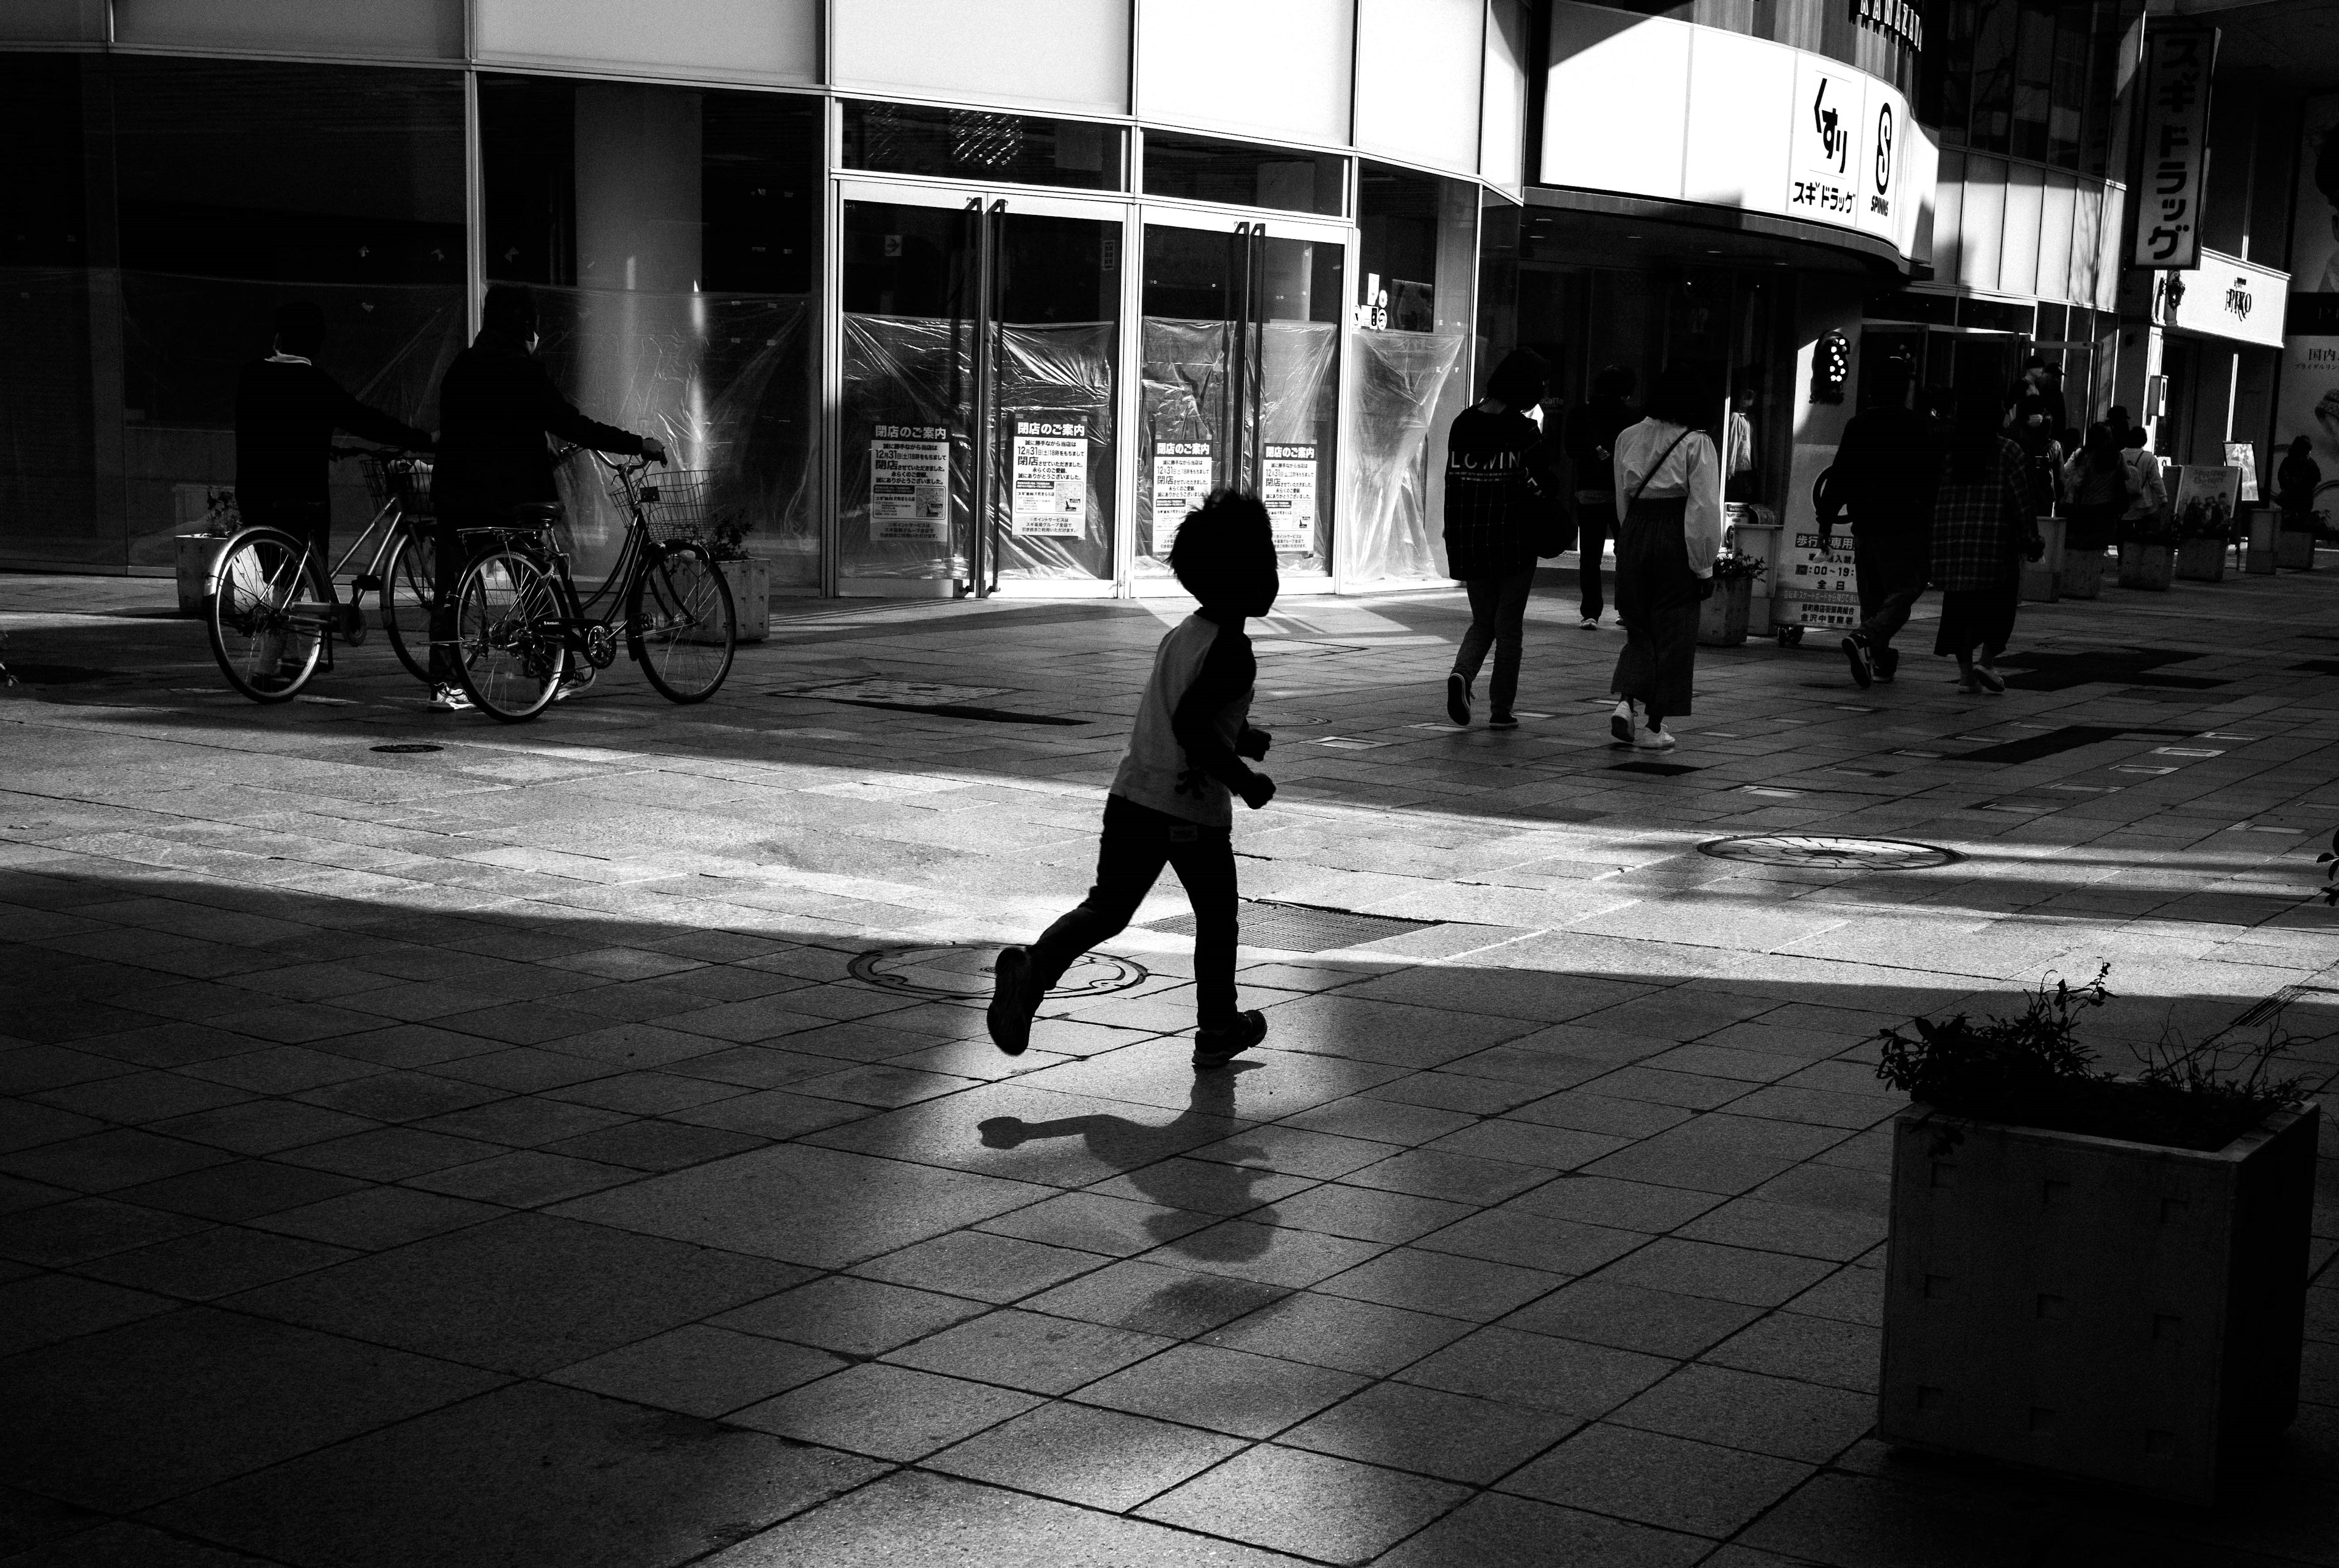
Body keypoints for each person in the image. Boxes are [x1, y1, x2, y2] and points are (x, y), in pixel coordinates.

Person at [987, 491, 1277, 1069]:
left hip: (1132, 798)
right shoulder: (1234, 651)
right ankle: (1218, 1025)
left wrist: (1241, 735)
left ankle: (1036, 971)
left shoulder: (1186, 633)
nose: (1275, 576)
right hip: (1188, 812)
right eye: (1267, 561)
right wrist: (1243, 778)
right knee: (1218, 919)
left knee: (1108, 907)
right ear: (1243, 576)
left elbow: (1187, 709)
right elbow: (1193, 726)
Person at [428, 284, 666, 712]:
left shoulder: (461, 366)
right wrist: (636, 443)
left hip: (454, 496)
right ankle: (557, 668)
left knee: (451, 590)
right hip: (510, 497)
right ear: (527, 325)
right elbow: (573, 425)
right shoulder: (523, 369)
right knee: (539, 581)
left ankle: (444, 683)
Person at [233, 300, 434, 632]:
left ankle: (283, 654)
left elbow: (271, 426)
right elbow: (366, 421)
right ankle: (289, 653)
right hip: (301, 496)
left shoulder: (251, 375)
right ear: (316, 343)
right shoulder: (316, 383)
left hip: (254, 493)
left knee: (278, 574)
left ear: (279, 338)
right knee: (305, 574)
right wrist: (423, 439)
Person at [1442, 348, 1568, 730]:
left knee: (1483, 620)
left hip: (1471, 538)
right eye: (1541, 385)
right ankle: (1501, 710)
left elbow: (1454, 484)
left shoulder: (1462, 423)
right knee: (1508, 626)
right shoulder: (1523, 430)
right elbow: (1545, 484)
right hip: (1514, 540)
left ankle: (1462, 675)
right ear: (1526, 386)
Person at [1607, 362, 1724, 752]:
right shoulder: (1696, 442)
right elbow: (1703, 510)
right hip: (1675, 535)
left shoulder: (1627, 436)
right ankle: (1655, 726)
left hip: (1636, 533)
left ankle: (1625, 702)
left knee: (1638, 625)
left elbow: (1623, 501)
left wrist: (1630, 541)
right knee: (1674, 630)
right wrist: (1704, 565)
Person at [1819, 357, 1939, 689]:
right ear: (1905, 388)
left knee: (1873, 601)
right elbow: (1931, 482)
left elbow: (1840, 476)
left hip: (1866, 526)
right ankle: (1865, 639)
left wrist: (1826, 523)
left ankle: (1881, 661)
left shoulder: (1858, 425)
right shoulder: (1918, 426)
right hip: (1904, 525)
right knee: (1904, 591)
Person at [1931, 388, 2038, 695]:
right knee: (2000, 606)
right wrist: (2031, 539)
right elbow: (2021, 500)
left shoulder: (1949, 450)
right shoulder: (2008, 451)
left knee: (1959, 610)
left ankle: (1966, 676)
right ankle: (1987, 662)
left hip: (1951, 545)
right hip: (1995, 545)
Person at [1564, 365, 1637, 628]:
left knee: (1591, 554)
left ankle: (1591, 612)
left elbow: (1570, 449)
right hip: (1623, 493)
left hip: (1590, 490)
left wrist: (1592, 451)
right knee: (1626, 552)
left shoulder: (1580, 414)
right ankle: (1626, 610)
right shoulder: (1632, 418)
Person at [2061, 423, 2136, 557]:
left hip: (2086, 505)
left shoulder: (2084, 455)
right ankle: (2097, 568)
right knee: (2102, 542)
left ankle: (2086, 568)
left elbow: (2069, 474)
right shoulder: (2117, 456)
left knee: (2085, 540)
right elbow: (2127, 475)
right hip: (2108, 507)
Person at [2119, 426, 2167, 540]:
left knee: (2124, 535)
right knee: (2142, 536)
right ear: (2144, 441)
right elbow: (2156, 480)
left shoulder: (2121, 454)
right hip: (2144, 502)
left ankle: (2123, 555)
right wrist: (2163, 498)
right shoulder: (2148, 457)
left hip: (2124, 501)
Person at [2277, 435, 2323, 521]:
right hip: (2297, 501)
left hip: (2299, 501)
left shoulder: (2291, 461)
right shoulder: (2308, 463)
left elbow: (2316, 478)